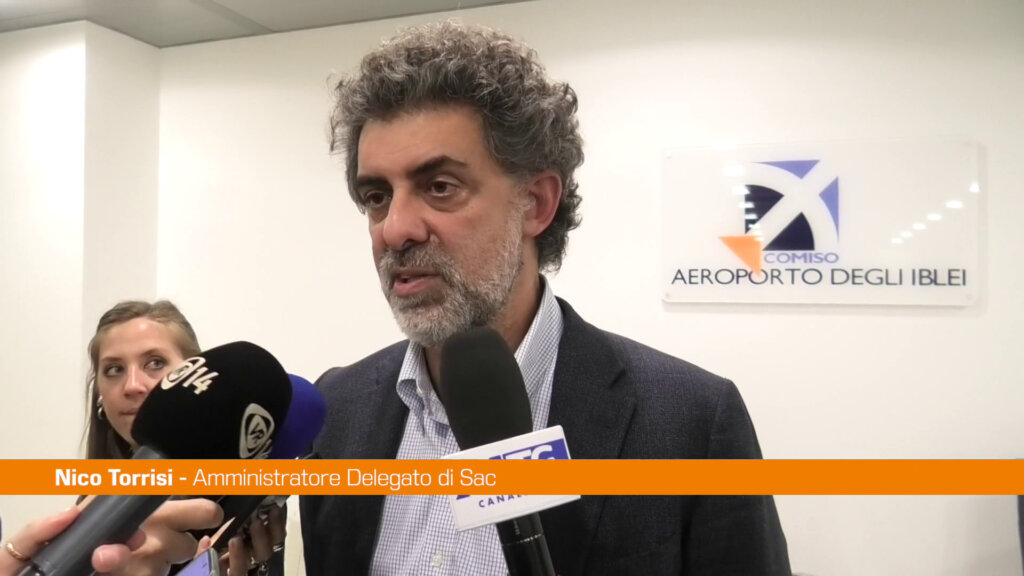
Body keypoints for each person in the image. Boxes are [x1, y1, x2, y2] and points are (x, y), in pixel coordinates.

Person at [300, 20, 790, 576]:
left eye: (440, 187)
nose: (395, 229)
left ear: (536, 203)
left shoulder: (690, 423)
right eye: (376, 196)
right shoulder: (338, 410)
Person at [82, 300, 284, 576]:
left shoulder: (245, 492)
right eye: (114, 369)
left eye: (155, 363)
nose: (132, 385)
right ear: (99, 396)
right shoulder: (88, 513)